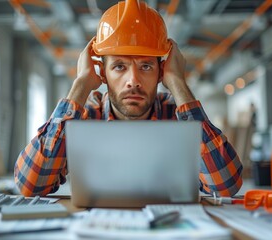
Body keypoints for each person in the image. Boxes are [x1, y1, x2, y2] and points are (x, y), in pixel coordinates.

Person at [14, 0, 243, 198]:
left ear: (160, 72)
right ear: (103, 73)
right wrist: (80, 86)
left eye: (145, 66)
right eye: (119, 66)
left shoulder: (178, 117)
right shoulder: (85, 118)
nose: (133, 80)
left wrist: (178, 83)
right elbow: (30, 185)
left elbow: (226, 187)